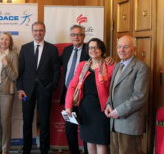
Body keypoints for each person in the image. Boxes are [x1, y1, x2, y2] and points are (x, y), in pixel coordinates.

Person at [17, 22, 60, 154]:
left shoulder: (52, 49)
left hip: (45, 90)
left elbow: (56, 70)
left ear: (44, 31)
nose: (38, 33)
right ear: (32, 31)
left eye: (40, 30)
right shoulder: (24, 48)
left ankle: (44, 149)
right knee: (27, 121)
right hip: (27, 91)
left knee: (45, 121)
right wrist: (20, 89)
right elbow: (20, 70)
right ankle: (27, 148)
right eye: (35, 30)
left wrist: (51, 87)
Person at [65, 38, 114, 154]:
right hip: (85, 109)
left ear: (101, 49)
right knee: (89, 141)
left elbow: (114, 88)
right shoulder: (83, 65)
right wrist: (68, 106)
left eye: (96, 47)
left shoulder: (110, 65)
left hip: (102, 109)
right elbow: (72, 85)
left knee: (101, 142)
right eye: (91, 47)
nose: (93, 50)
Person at [105, 35, 150, 154]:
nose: (121, 50)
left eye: (125, 47)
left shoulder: (141, 68)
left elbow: (140, 97)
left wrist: (118, 111)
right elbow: (112, 91)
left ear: (134, 49)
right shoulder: (117, 66)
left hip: (130, 124)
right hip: (114, 123)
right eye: (119, 47)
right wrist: (108, 104)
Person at [59, 25, 89, 154]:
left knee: (87, 127)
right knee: (69, 127)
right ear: (70, 36)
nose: (76, 37)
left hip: (84, 96)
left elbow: (101, 62)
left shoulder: (90, 50)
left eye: (79, 34)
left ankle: (89, 151)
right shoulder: (66, 50)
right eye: (73, 34)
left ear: (84, 36)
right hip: (68, 95)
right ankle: (74, 152)